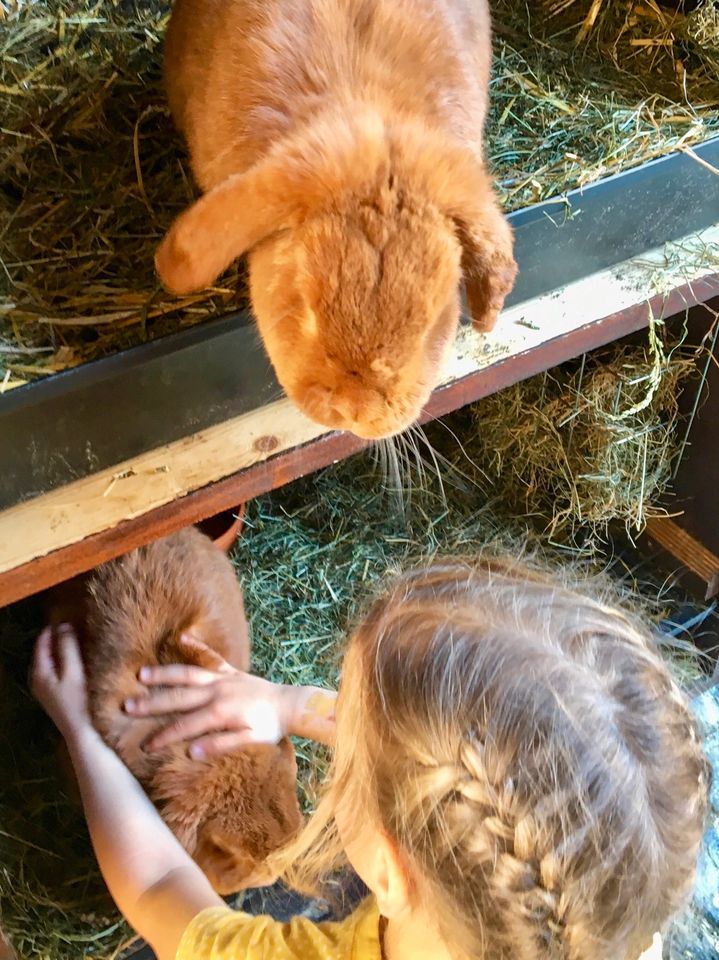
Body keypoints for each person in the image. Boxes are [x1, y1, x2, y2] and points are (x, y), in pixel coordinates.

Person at [32, 557, 709, 960]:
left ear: (385, 869)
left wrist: (83, 734)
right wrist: (286, 703)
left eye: (349, 752)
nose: (337, 746)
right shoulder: (609, 911)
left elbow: (156, 890)